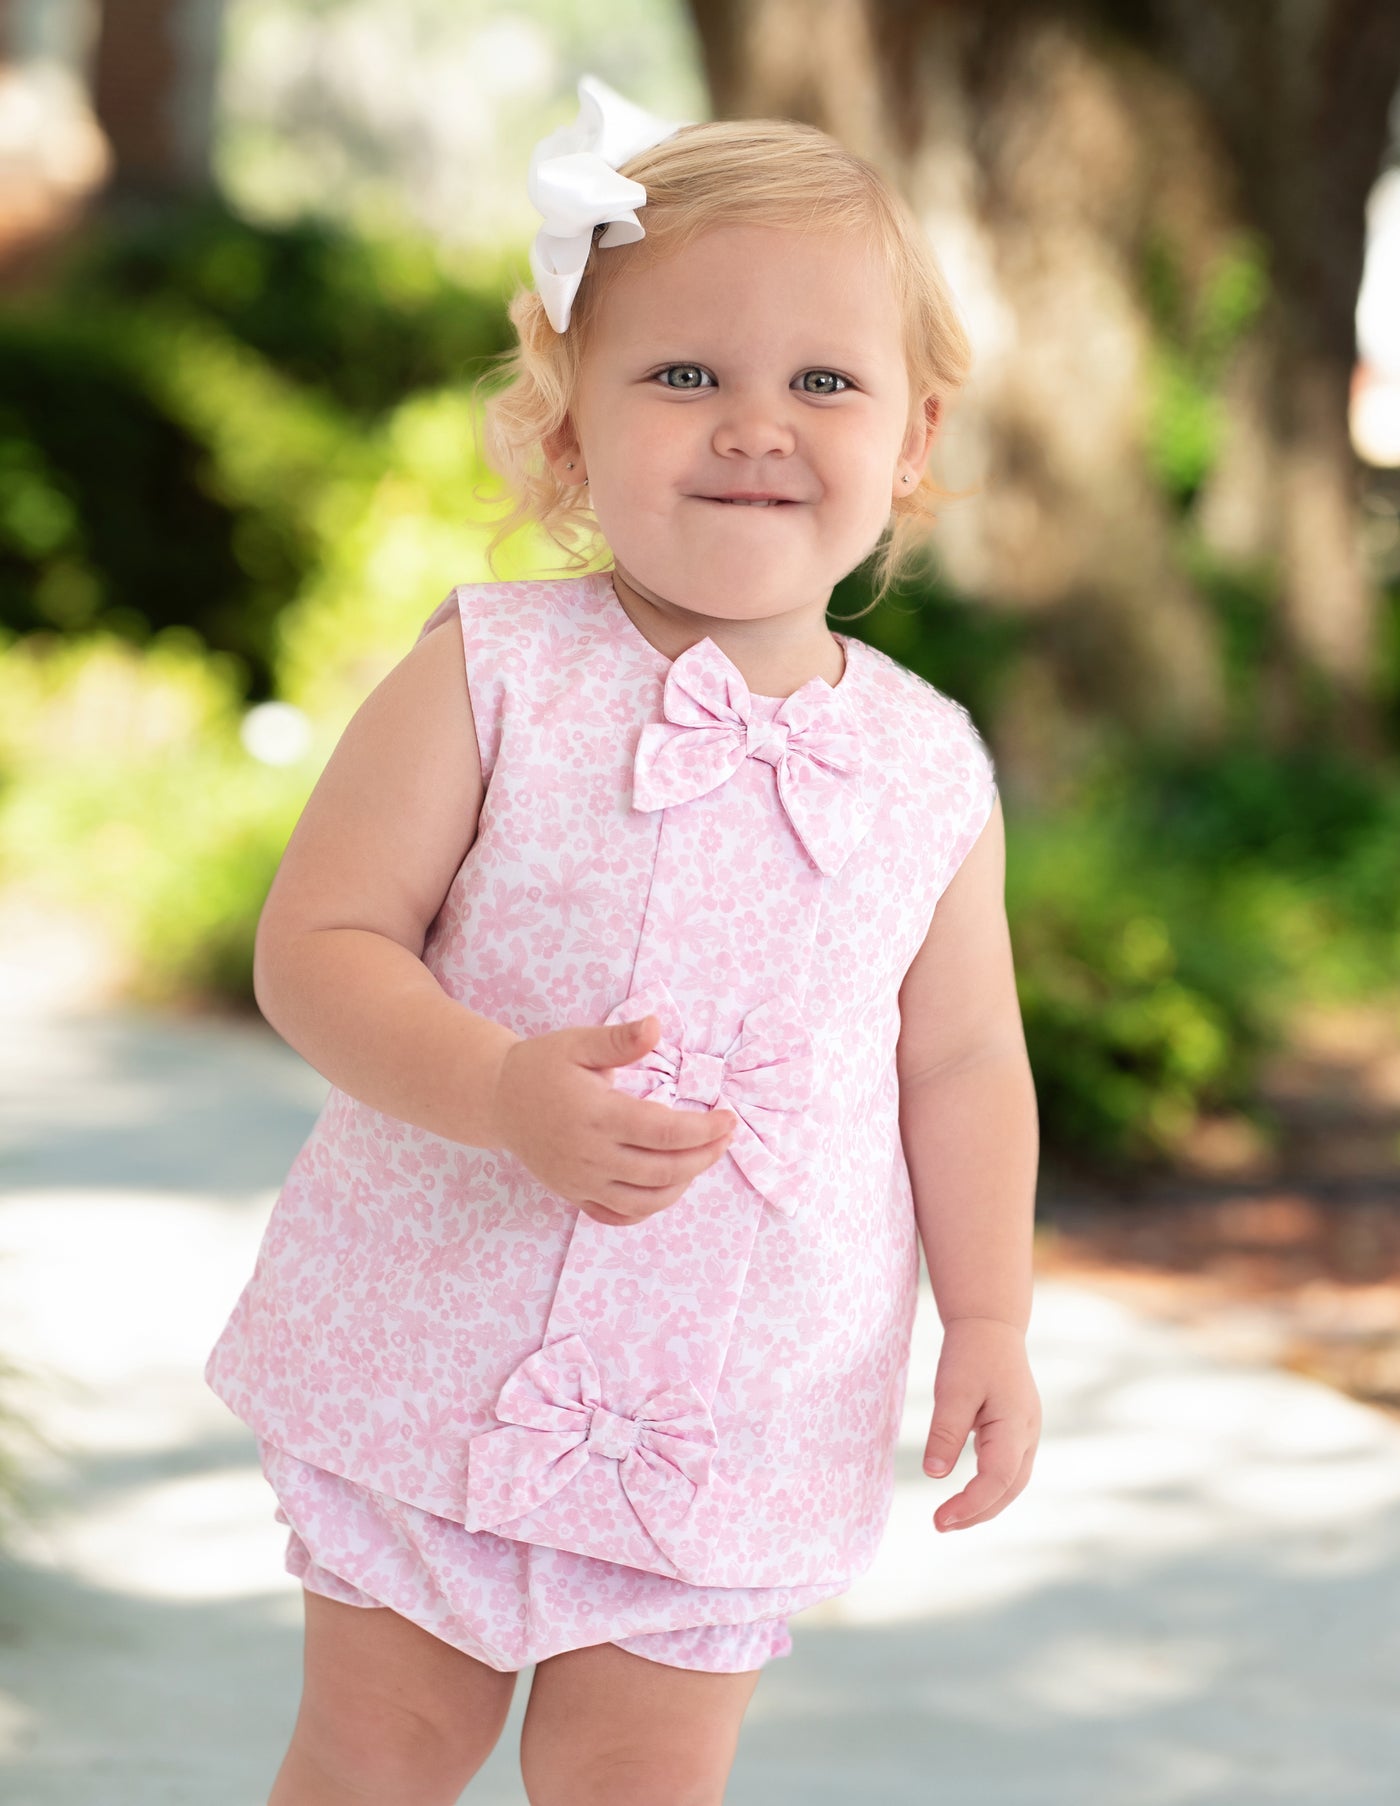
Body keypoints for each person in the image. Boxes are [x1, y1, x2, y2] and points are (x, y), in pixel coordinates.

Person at [205, 73, 1041, 1806]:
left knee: (638, 1782)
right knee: (380, 1750)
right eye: (683, 375)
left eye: (822, 379)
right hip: (440, 1339)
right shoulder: (494, 672)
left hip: (737, 1384)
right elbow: (323, 939)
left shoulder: (925, 766)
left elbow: (959, 1057)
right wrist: (500, 1086)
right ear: (570, 426)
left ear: (914, 438)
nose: (754, 423)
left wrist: (990, 1316)